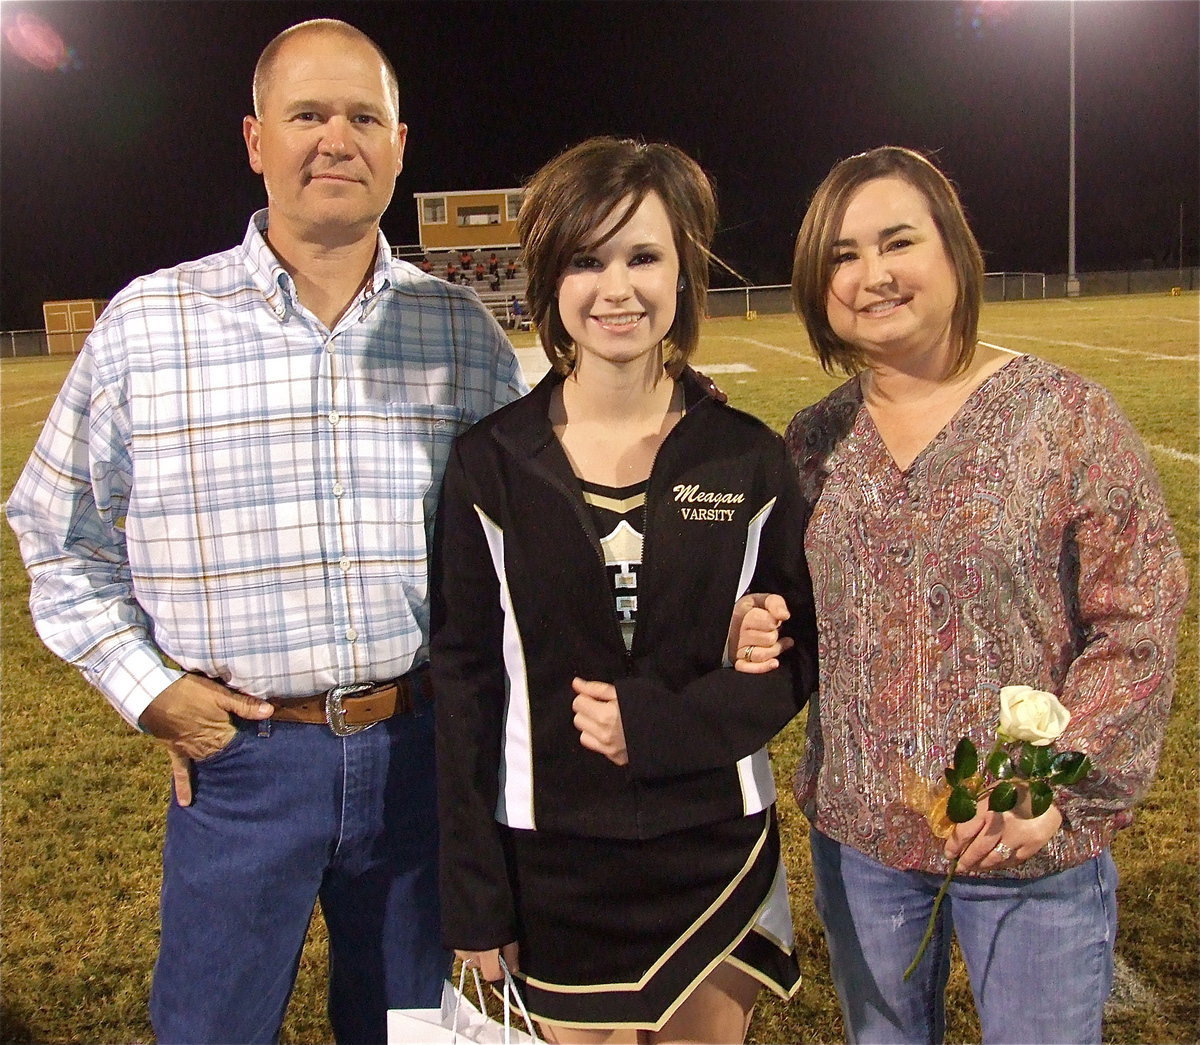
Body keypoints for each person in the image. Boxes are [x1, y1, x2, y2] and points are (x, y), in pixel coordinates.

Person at [6, 18, 526, 1045]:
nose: (336, 137)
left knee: (413, 1032)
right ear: (256, 140)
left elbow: (516, 552)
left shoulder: (461, 333)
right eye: (308, 114)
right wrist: (147, 685)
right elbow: (54, 529)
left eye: (362, 116)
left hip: (424, 750)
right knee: (211, 1029)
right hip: (244, 758)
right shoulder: (151, 325)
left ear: (400, 145)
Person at [735, 146, 1188, 1044]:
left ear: (954, 251)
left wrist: (1053, 787)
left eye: (897, 241)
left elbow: (1137, 618)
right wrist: (758, 618)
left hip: (1027, 842)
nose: (872, 275)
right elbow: (793, 608)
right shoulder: (815, 441)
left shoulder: (1064, 415)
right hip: (861, 843)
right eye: (842, 255)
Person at [431, 137, 817, 1044]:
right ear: (549, 280)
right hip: (550, 860)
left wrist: (661, 726)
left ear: (683, 271)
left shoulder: (749, 456)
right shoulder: (489, 464)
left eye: (644, 256)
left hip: (714, 841)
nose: (617, 287)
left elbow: (794, 663)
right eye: (587, 258)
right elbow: (465, 687)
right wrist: (477, 897)